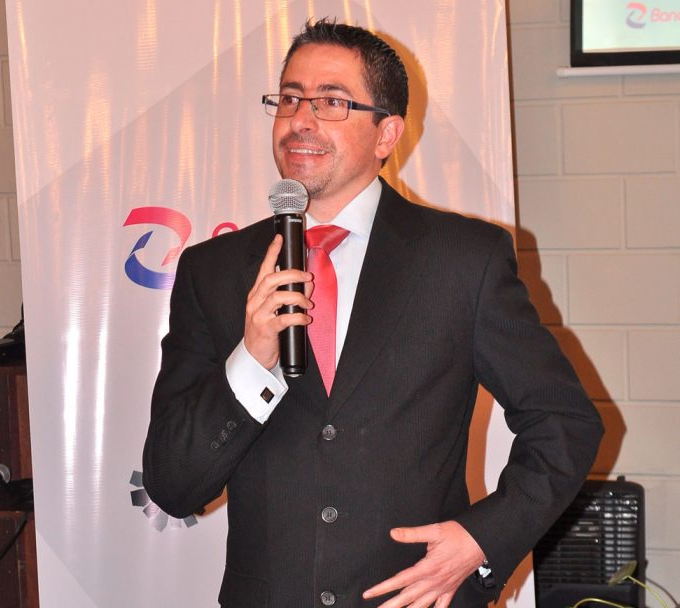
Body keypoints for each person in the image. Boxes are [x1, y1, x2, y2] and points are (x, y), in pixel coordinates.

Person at [143, 18, 603, 608]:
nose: (300, 120)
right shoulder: (214, 271)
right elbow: (173, 484)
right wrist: (251, 359)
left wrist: (480, 540)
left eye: (331, 101)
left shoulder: (463, 260)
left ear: (387, 133)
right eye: (289, 98)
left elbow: (564, 421)